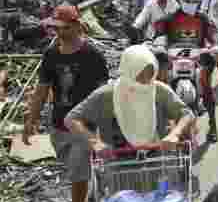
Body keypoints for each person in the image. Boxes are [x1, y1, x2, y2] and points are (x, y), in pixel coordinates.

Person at [24, 5, 110, 202]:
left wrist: (105, 128)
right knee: (73, 169)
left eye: (63, 28)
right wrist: (31, 119)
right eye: (56, 28)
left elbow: (103, 94)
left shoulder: (92, 55)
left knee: (77, 173)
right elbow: (42, 88)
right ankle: (90, 182)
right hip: (59, 123)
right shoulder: (51, 53)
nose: (59, 32)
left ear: (76, 25)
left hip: (84, 126)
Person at [65, 44, 195, 156]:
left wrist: (175, 134)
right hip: (118, 166)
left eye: (150, 74)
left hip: (157, 160)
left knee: (164, 185)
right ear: (128, 71)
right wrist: (95, 143)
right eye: (140, 74)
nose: (146, 80)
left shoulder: (158, 90)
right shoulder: (106, 95)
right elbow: (71, 119)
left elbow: (187, 114)